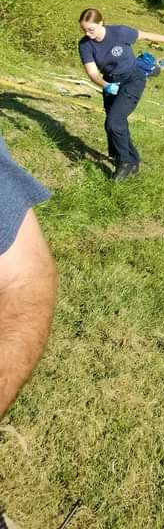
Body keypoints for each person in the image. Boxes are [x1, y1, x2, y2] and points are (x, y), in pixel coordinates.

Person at [78, 8, 164, 182]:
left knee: (114, 122)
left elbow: (145, 35)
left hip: (132, 79)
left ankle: (124, 163)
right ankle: (133, 160)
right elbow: (92, 73)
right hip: (111, 82)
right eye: (84, 30)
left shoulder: (120, 32)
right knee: (114, 122)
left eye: (91, 29)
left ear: (101, 23)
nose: (88, 34)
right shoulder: (85, 45)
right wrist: (106, 85)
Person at [0, 132, 57, 418]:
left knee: (116, 120)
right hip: (115, 85)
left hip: (128, 85)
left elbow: (23, 280)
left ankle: (127, 163)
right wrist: (102, 84)